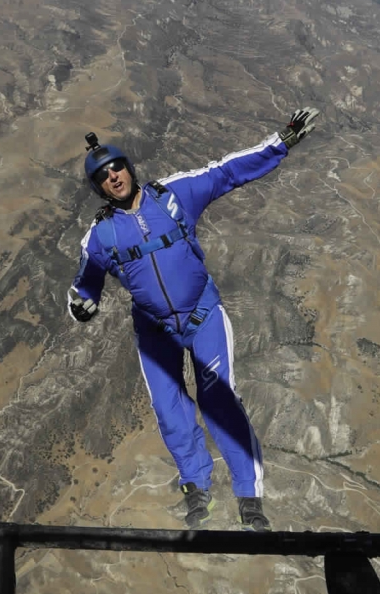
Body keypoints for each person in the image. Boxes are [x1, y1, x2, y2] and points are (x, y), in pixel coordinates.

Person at [67, 108, 321, 532]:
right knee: (169, 410)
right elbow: (85, 283)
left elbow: (225, 173)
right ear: (98, 188)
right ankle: (197, 490)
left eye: (117, 168)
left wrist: (281, 143)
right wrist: (81, 305)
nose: (113, 177)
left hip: (203, 315)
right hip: (153, 329)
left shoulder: (173, 195)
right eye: (103, 176)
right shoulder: (100, 235)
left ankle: (249, 498)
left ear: (129, 168)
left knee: (218, 398)